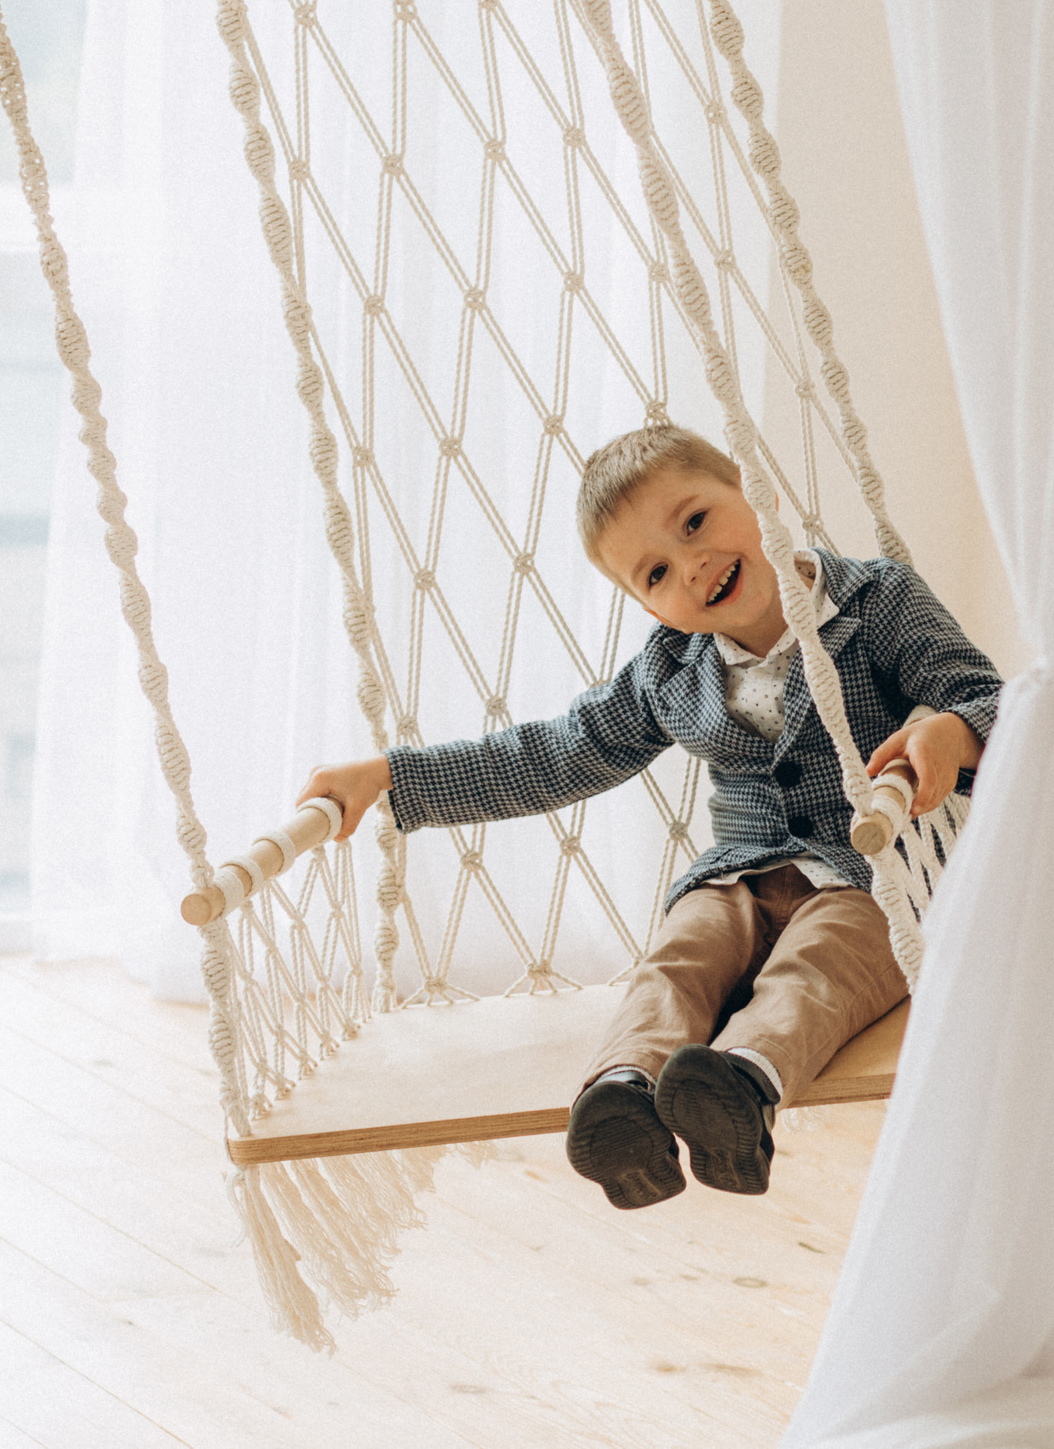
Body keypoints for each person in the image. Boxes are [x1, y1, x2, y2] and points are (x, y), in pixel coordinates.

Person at [300, 423, 1003, 1209]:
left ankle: (742, 1085)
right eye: (657, 571)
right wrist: (396, 779)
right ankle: (627, 1095)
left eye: (696, 521)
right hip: (737, 875)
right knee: (682, 954)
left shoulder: (878, 603)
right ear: (648, 605)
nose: (692, 565)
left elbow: (993, 698)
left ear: (756, 489)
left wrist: (952, 730)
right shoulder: (672, 670)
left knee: (821, 966)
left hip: (875, 877)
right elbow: (553, 754)